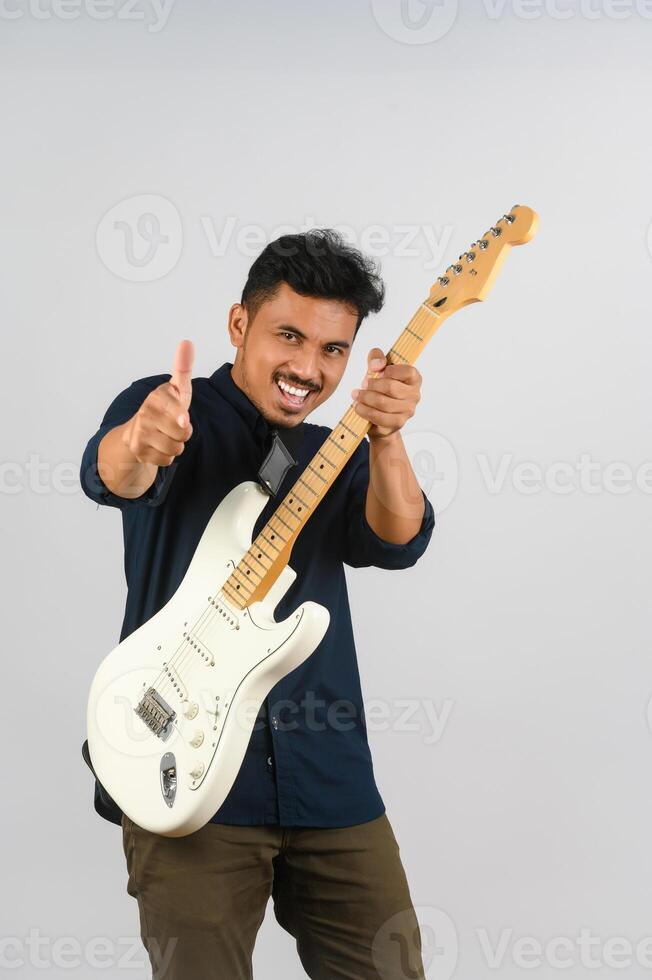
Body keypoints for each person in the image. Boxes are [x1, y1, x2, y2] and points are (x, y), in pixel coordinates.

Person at [80, 229, 435, 980]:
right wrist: (144, 439)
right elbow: (118, 471)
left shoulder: (334, 449)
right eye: (289, 335)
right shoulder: (175, 411)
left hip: (329, 773)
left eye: (334, 350)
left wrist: (389, 437)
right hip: (189, 772)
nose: (309, 367)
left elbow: (398, 540)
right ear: (239, 326)